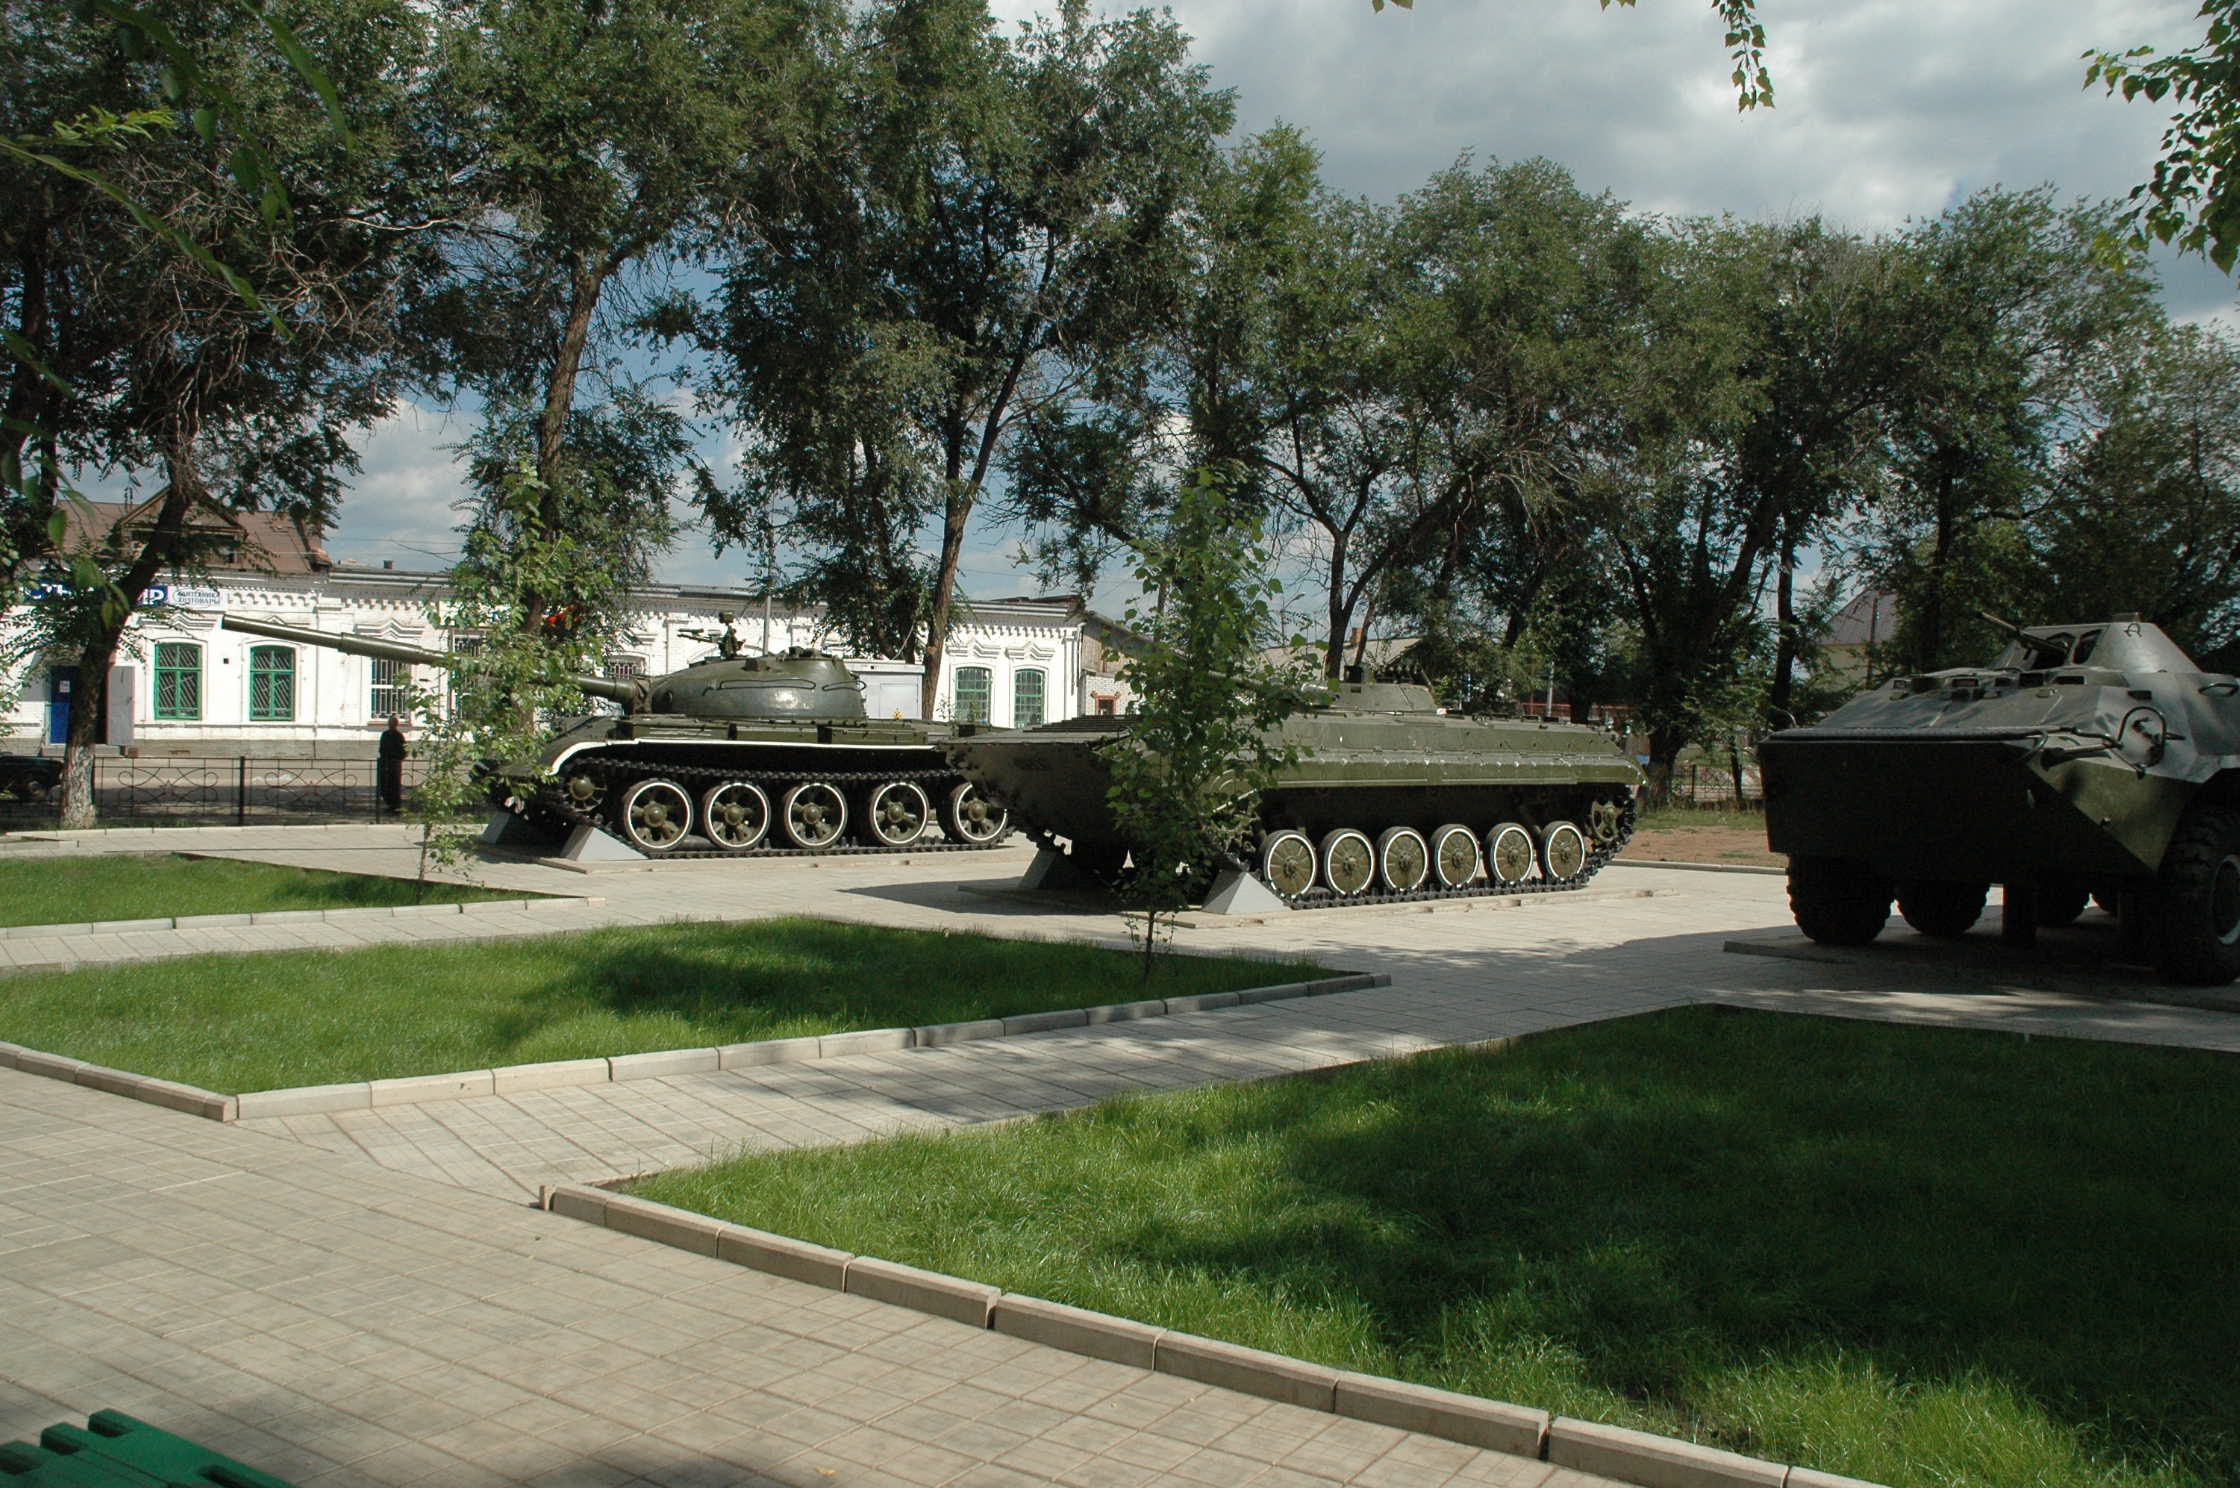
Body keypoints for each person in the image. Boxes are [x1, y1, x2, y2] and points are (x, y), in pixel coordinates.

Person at [377, 715, 407, 814]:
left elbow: (404, 750)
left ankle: (395, 806)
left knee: (394, 785)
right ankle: (389, 804)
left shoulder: (399, 736)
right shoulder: (385, 734)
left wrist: (397, 759)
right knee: (385, 784)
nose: (391, 725)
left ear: (396, 724)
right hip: (385, 763)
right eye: (390, 723)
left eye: (393, 723)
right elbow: (381, 748)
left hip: (394, 764)